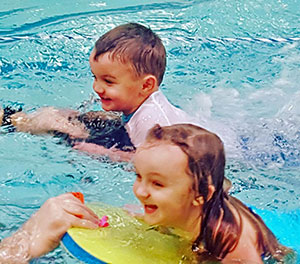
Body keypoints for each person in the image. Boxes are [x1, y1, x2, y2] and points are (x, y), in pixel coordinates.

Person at [0, 124, 290, 263]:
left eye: (158, 184)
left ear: (200, 194)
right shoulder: (192, 205)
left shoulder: (233, 244)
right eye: (139, 176)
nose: (140, 190)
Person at [0, 23, 193, 161]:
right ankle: (13, 119)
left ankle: (11, 121)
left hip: (181, 167)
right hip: (135, 140)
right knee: (73, 120)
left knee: (70, 133)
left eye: (108, 81)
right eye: (95, 77)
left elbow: (152, 166)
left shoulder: (153, 123)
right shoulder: (140, 105)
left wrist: (102, 153)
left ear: (145, 86)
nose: (97, 88)